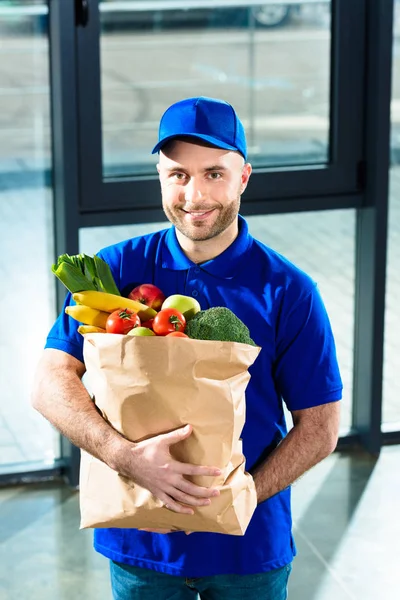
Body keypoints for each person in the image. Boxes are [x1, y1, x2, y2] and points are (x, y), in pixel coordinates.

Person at [32, 96, 342, 600]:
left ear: (243, 178)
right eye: (178, 174)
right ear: (160, 178)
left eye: (214, 173)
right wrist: (123, 456)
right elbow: (49, 383)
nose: (195, 194)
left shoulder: (287, 290)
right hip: (140, 542)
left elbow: (322, 427)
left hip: (247, 548)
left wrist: (239, 498)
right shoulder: (117, 269)